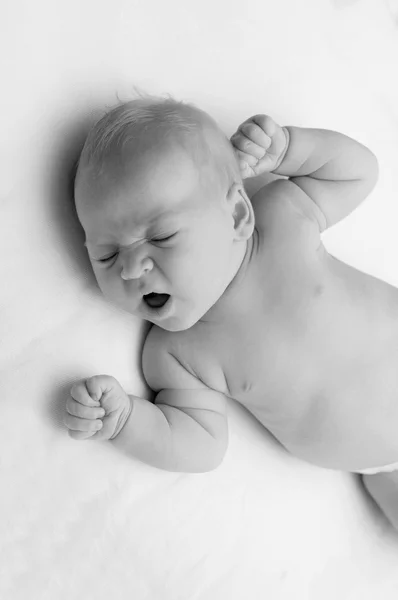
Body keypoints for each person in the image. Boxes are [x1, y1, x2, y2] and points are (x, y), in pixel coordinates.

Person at [64, 91, 398, 529]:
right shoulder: (175, 354)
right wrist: (126, 421)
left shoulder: (280, 220)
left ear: (238, 213)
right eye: (106, 256)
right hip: (383, 466)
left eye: (161, 236)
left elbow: (357, 173)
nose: (131, 267)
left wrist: (288, 149)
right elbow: (200, 443)